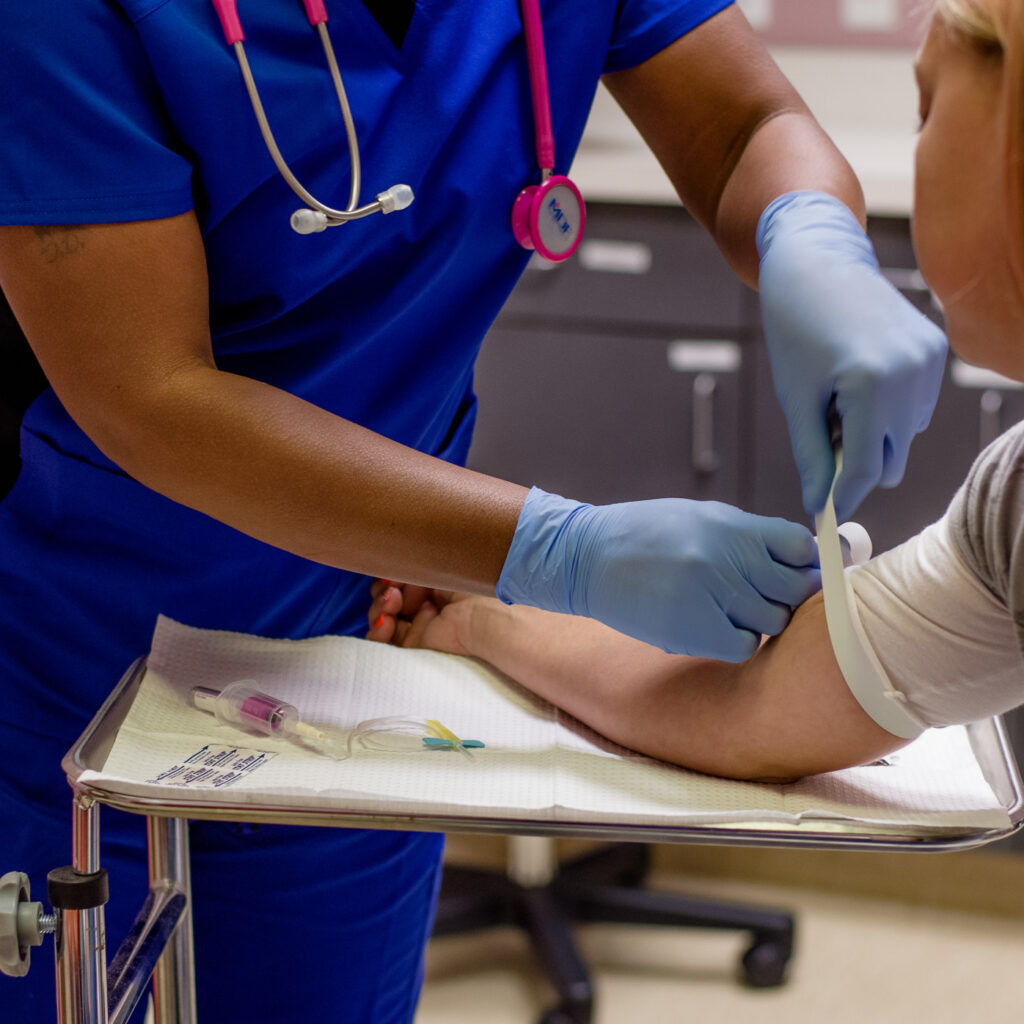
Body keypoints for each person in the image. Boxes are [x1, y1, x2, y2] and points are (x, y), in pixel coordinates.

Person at [0, 1, 945, 1021]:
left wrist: (809, 230)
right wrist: (558, 550)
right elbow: (147, 394)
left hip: (368, 645)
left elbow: (745, 128)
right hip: (84, 649)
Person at [368, 0, 1024, 784]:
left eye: (926, 108)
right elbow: (767, 704)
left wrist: (807, 227)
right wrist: (480, 618)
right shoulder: (1009, 511)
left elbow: (750, 124)